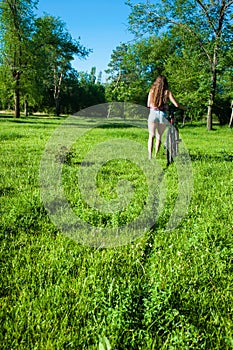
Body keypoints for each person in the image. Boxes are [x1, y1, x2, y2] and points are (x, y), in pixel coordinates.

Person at [147, 75, 187, 160]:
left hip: (153, 114)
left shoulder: (152, 90)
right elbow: (176, 104)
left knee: (151, 136)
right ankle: (156, 155)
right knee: (159, 136)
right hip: (162, 115)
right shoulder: (167, 92)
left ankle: (150, 156)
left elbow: (148, 104)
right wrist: (185, 108)